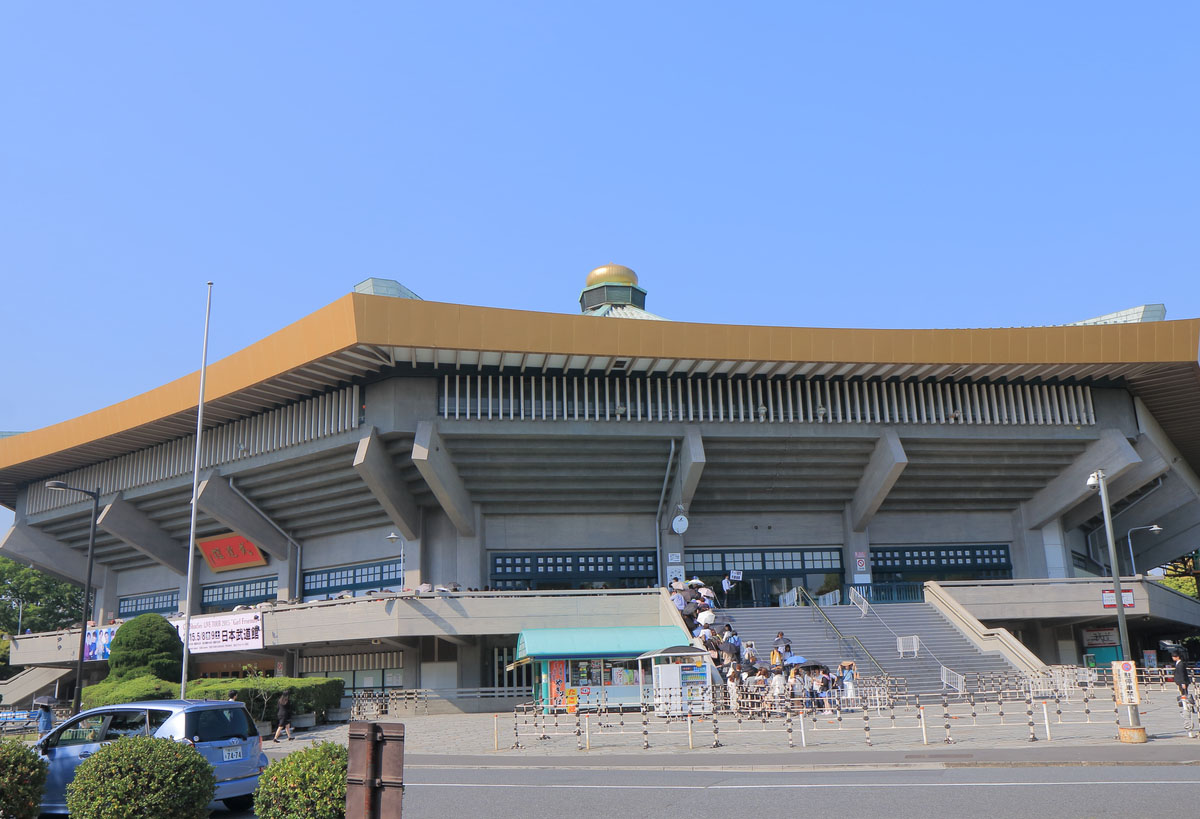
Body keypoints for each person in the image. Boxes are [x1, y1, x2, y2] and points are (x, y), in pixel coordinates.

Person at [1172, 648, 1195, 738]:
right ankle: (1186, 704)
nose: (1173, 658)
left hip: (1183, 682)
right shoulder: (1179, 663)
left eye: (1173, 656)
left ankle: (1187, 706)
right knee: (1183, 695)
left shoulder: (1180, 664)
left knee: (1184, 695)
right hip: (1181, 682)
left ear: (1177, 657)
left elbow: (1181, 674)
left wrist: (1183, 683)